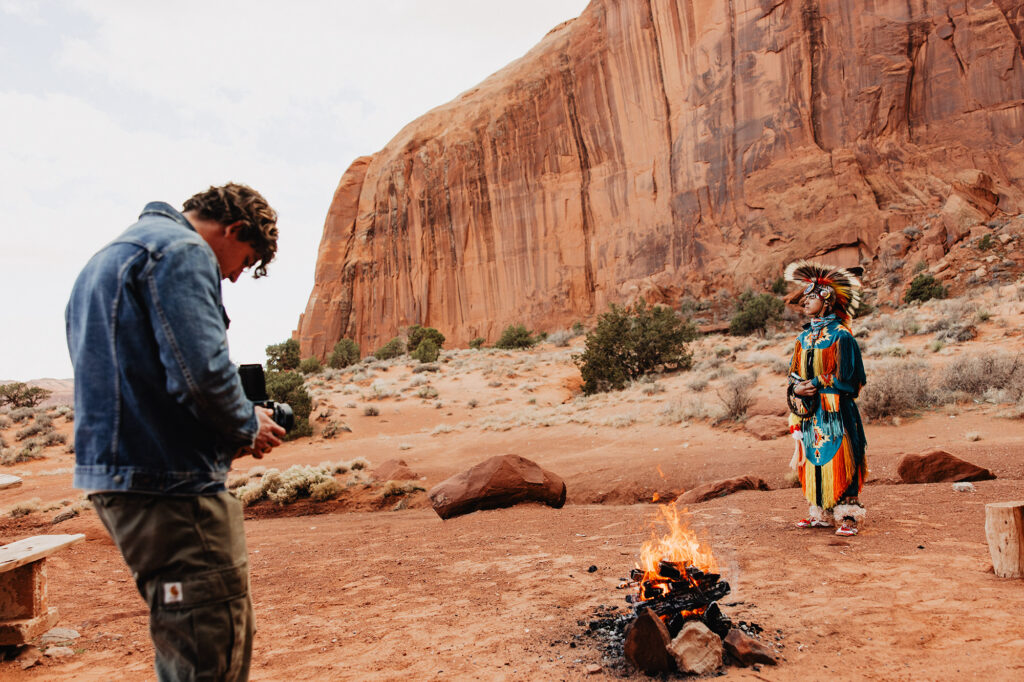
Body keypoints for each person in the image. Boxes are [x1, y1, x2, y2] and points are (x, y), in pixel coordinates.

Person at [65, 183, 287, 681]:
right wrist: (246, 423)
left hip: (121, 479)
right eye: (243, 261)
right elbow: (203, 376)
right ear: (233, 229)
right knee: (210, 647)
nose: (232, 275)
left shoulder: (108, 256)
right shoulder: (182, 250)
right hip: (172, 485)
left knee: (182, 630)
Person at [783, 260, 868, 537]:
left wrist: (816, 383)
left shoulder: (842, 336)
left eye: (811, 298)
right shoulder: (803, 339)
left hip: (837, 410)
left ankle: (848, 515)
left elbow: (850, 379)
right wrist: (797, 389)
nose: (805, 303)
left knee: (843, 455)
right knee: (813, 457)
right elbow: (793, 374)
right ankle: (820, 511)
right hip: (810, 413)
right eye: (804, 298)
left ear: (827, 300)